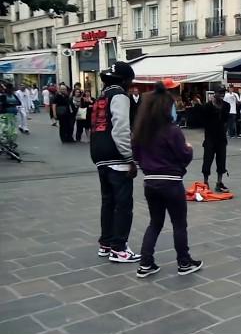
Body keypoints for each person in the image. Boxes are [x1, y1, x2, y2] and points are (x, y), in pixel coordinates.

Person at [132, 82, 203, 278]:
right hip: (171, 182)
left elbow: (136, 156)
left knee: (155, 223)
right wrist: (189, 148)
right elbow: (183, 155)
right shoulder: (172, 130)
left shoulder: (141, 130)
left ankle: (145, 263)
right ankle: (184, 262)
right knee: (179, 224)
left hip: (150, 182)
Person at [90, 61, 141, 263]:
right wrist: (130, 158)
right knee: (123, 204)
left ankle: (106, 243)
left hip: (99, 155)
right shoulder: (119, 96)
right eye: (130, 80)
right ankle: (119, 248)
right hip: (116, 156)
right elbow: (120, 129)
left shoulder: (101, 97)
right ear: (124, 80)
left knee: (108, 202)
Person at [202, 87, 231, 193]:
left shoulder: (226, 106)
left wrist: (224, 132)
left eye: (223, 93)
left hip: (221, 138)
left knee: (221, 161)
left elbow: (226, 121)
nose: (222, 95)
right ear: (215, 94)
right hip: (210, 137)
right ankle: (205, 182)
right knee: (207, 160)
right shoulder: (207, 106)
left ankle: (219, 183)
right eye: (220, 93)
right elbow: (203, 121)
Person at [0, 83, 21, 149]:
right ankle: (4, 143)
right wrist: (11, 104)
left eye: (12, 89)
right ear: (7, 89)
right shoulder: (3, 96)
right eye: (10, 89)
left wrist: (10, 103)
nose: (11, 90)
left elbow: (19, 102)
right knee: (4, 129)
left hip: (13, 115)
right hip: (5, 115)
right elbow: (3, 104)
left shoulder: (14, 96)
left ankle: (11, 143)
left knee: (13, 131)